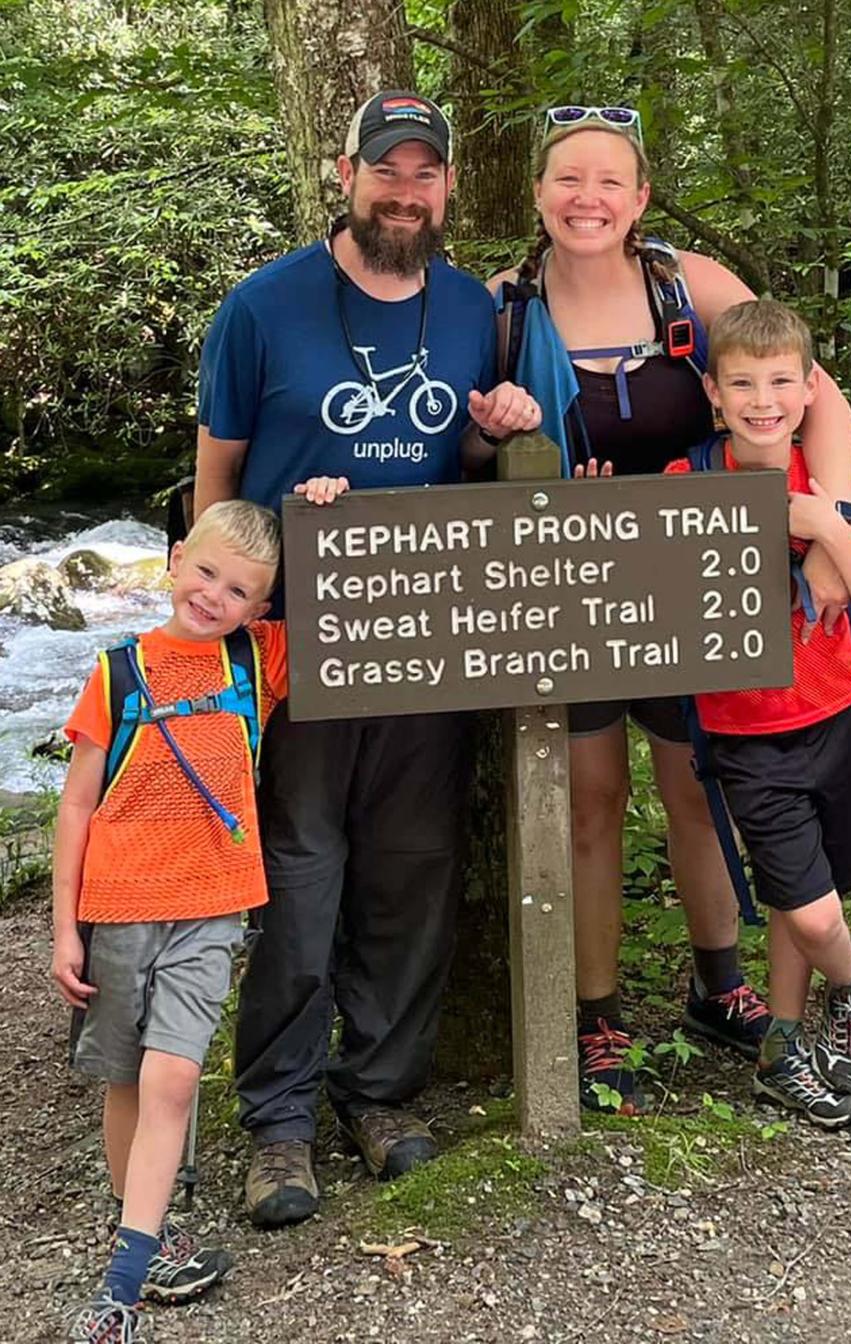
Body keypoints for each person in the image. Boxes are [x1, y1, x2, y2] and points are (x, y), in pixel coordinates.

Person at [194, 89, 540, 1228]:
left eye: (425, 173)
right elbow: (216, 489)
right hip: (297, 646)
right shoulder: (262, 308)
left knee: (411, 870)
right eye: (386, 171)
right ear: (345, 175)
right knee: (299, 881)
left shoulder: (471, 308)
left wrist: (499, 431)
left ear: (446, 186)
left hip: (430, 642)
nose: (406, 191)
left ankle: (380, 1096)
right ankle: (280, 1123)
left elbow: (490, 454)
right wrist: (223, 636)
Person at [487, 106, 851, 1115]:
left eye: (611, 181)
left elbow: (814, 395)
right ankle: (599, 1014)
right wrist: (501, 445)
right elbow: (464, 450)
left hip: (705, 583)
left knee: (699, 787)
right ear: (537, 192)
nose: (589, 199)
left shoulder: (688, 284)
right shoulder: (503, 307)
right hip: (571, 590)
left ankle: (718, 984)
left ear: (641, 197)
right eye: (569, 179)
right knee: (594, 799)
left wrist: (832, 528)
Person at [665, 298, 851, 1126]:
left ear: (808, 392)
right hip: (744, 737)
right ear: (714, 393)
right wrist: (775, 516)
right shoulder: (684, 485)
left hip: (832, 721)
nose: (762, 399)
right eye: (742, 384)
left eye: (779, 382)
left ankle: (783, 1051)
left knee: (797, 898)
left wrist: (827, 530)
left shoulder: (829, 489)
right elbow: (652, 597)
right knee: (810, 906)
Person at [53, 500, 285, 1342]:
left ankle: (121, 1280)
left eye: (240, 591)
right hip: (115, 909)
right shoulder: (117, 672)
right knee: (125, 1077)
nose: (215, 596)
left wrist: (330, 503)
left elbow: (351, 607)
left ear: (261, 611)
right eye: (207, 572)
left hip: (212, 909)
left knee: (174, 1078)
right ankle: (142, 1230)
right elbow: (76, 806)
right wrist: (63, 929)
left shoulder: (258, 661)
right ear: (176, 559)